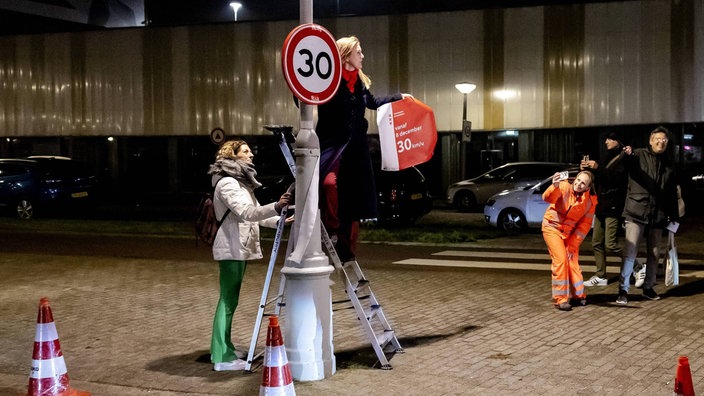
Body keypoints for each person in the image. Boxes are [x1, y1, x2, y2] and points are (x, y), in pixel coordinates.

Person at [315, 35, 409, 261]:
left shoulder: (358, 83)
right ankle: (332, 230)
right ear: (346, 55)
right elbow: (309, 97)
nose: (363, 56)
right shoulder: (329, 81)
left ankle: (347, 247)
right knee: (329, 185)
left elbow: (374, 103)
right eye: (359, 52)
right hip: (332, 145)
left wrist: (399, 97)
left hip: (355, 148)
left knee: (353, 197)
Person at [206, 139, 291, 371]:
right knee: (227, 301)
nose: (251, 154)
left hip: (237, 247)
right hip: (231, 248)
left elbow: (257, 215)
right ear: (232, 157)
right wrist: (276, 206)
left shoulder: (240, 183)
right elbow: (246, 212)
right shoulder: (228, 184)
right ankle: (221, 357)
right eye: (245, 151)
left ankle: (226, 347)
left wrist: (279, 219)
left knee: (230, 301)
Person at [615, 126, 680, 304]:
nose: (661, 142)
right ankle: (623, 290)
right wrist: (625, 155)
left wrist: (674, 217)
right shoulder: (638, 155)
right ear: (651, 141)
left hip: (658, 213)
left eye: (664, 140)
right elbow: (622, 167)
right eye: (657, 139)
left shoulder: (669, 163)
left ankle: (648, 287)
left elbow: (671, 192)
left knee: (654, 252)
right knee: (630, 251)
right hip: (636, 210)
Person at [542, 170, 598, 311]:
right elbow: (547, 198)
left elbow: (585, 225)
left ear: (588, 187)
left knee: (572, 260)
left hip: (569, 233)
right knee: (561, 260)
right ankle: (560, 299)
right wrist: (554, 186)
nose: (578, 184)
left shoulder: (590, 201)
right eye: (578, 180)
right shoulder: (564, 186)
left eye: (583, 183)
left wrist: (572, 246)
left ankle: (578, 296)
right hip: (552, 227)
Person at [581, 132, 629, 287]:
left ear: (617, 141)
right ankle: (601, 275)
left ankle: (636, 265)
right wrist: (589, 170)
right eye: (606, 139)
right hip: (601, 205)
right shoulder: (606, 156)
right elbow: (602, 178)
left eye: (610, 139)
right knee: (596, 242)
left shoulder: (623, 157)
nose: (606, 141)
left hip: (614, 205)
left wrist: (598, 168)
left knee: (611, 244)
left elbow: (616, 179)